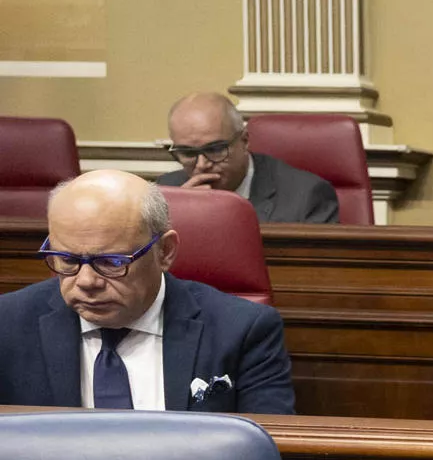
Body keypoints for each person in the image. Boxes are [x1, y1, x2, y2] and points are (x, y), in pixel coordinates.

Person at [0, 170, 297, 414]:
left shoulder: (242, 330)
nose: (86, 281)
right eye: (67, 260)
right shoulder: (8, 325)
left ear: (165, 251)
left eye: (111, 262)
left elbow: (267, 449)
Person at [156, 92, 340, 224]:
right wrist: (180, 217)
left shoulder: (306, 196)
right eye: (188, 153)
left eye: (215, 149)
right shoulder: (165, 193)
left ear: (244, 141)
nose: (202, 165)